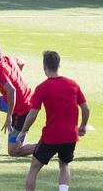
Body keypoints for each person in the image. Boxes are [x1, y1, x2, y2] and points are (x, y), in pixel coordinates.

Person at [16, 51, 90, 191]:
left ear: (44, 67)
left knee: (34, 166)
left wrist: (23, 131)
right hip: (70, 136)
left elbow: (32, 114)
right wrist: (83, 126)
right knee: (64, 164)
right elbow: (86, 109)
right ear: (58, 65)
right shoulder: (72, 84)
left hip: (51, 136)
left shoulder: (42, 88)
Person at [0, 40, 36, 157]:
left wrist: (9, 116)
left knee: (14, 151)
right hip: (27, 100)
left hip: (22, 111)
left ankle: (51, 145)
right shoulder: (8, 59)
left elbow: (12, 90)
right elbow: (21, 62)